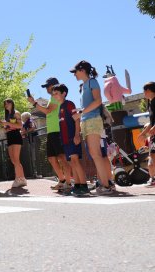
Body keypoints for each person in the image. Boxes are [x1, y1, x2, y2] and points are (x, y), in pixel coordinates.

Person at [71, 60, 113, 195]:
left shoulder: (92, 82)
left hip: (93, 120)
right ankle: (105, 183)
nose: (74, 75)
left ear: (82, 70)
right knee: (95, 154)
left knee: (96, 154)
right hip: (86, 121)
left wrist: (81, 113)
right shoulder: (83, 86)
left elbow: (98, 101)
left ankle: (106, 186)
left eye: (75, 72)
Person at [28, 77, 71, 190]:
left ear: (54, 85)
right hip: (51, 131)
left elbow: (47, 111)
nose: (46, 89)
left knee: (62, 157)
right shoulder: (52, 98)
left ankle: (69, 181)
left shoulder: (55, 97)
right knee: (52, 158)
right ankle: (61, 180)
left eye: (48, 86)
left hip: (58, 130)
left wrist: (34, 103)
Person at [52, 84, 87, 196]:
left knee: (75, 161)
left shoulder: (69, 104)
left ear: (64, 93)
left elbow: (77, 119)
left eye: (56, 93)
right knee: (72, 162)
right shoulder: (60, 107)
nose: (54, 95)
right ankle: (77, 185)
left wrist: (77, 135)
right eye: (53, 94)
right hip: (65, 140)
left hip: (72, 138)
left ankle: (84, 186)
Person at [0, 98, 26, 188]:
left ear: (12, 103)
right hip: (9, 136)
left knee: (16, 159)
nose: (6, 105)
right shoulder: (7, 115)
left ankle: (18, 178)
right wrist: (4, 126)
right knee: (13, 160)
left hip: (16, 136)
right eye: (5, 104)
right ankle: (22, 179)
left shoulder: (16, 113)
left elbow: (20, 125)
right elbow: (9, 126)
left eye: (7, 103)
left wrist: (7, 123)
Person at [138, 82, 155, 187]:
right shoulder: (150, 103)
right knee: (152, 156)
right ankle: (153, 179)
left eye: (144, 91)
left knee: (152, 156)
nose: (143, 93)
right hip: (153, 135)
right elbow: (152, 122)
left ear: (148, 91)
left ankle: (153, 179)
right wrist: (143, 134)